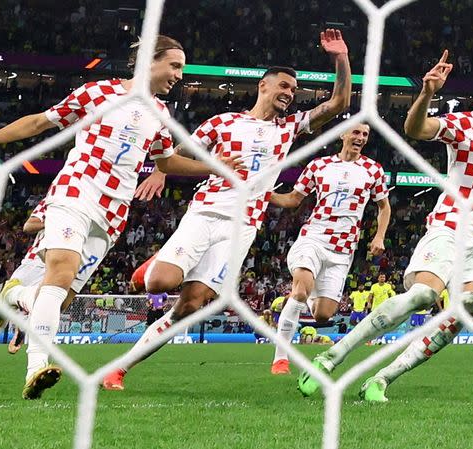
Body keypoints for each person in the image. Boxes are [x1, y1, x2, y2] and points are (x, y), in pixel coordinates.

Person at [0, 35, 234, 400]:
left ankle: (17, 296)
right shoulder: (97, 93)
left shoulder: (162, 114)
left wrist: (214, 166)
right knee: (61, 271)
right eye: (175, 65)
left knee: (61, 297)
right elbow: (40, 122)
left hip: (114, 211)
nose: (179, 74)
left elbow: (166, 163)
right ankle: (36, 368)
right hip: (77, 190)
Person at [102, 29, 352, 391]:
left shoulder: (288, 129)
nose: (289, 93)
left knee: (190, 307)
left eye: (294, 90)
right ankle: (151, 267)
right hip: (205, 213)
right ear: (264, 87)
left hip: (242, 227)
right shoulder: (222, 122)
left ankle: (118, 371)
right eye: (283, 86)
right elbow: (179, 154)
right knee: (160, 283)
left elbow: (338, 104)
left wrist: (340, 59)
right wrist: (159, 171)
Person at [298, 53, 473, 402]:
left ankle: (383, 378)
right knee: (424, 295)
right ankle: (331, 357)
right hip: (451, 226)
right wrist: (426, 93)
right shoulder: (468, 124)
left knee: (467, 305)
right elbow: (415, 129)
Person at [269, 122, 390, 375]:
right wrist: (263, 194)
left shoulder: (373, 170)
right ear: (343, 134)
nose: (361, 138)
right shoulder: (318, 166)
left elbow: (384, 207)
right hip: (314, 238)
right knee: (299, 291)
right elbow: (293, 199)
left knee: (323, 314)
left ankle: (309, 294)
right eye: (356, 132)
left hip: (343, 249)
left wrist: (379, 236)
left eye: (365, 134)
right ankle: (280, 359)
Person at [0, 201, 47, 366]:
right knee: (7, 306)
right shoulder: (51, 206)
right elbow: (28, 226)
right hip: (34, 262)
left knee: (9, 305)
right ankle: (20, 325)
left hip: (52, 266)